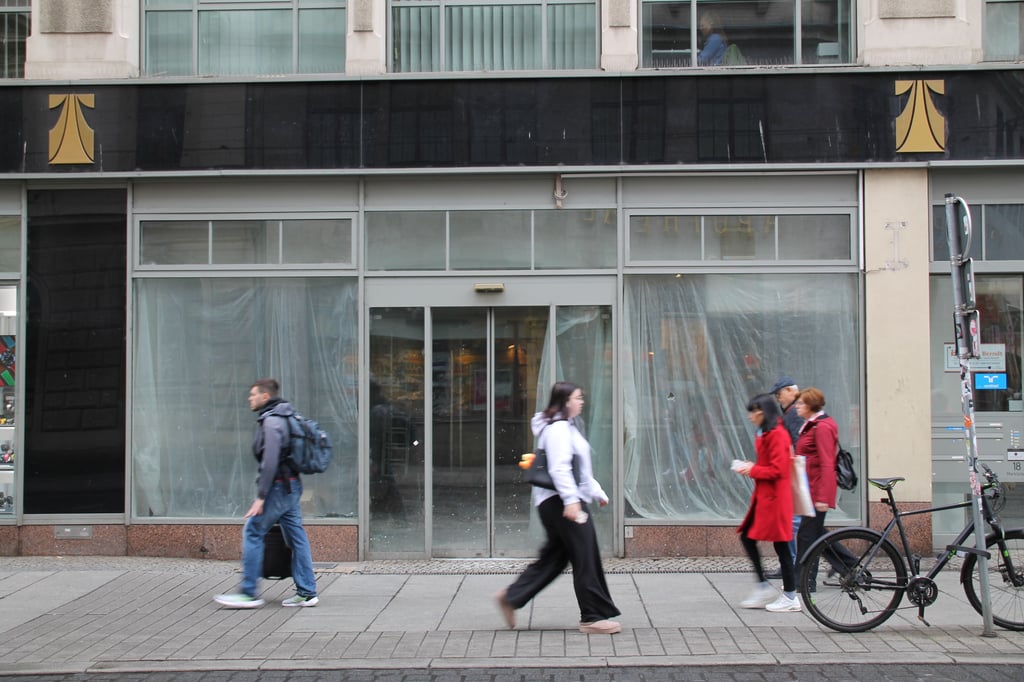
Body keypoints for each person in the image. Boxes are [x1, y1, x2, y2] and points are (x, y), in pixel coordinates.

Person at [494, 381, 621, 634]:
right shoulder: (560, 429)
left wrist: (597, 493)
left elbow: (580, 470)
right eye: (577, 397)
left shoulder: (568, 428)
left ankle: (511, 597)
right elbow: (560, 469)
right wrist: (572, 502)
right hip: (561, 502)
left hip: (559, 500)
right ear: (565, 402)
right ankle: (593, 617)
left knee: (555, 557)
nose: (581, 401)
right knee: (586, 555)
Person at [214, 378, 319, 609]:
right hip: (292, 486)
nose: (249, 398)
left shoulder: (271, 422)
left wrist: (261, 496)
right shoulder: (288, 417)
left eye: (253, 395)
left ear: (265, 396)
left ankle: (248, 593)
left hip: (279, 488)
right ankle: (307, 592)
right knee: (296, 537)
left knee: (253, 530)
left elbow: (270, 461)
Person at [731, 393, 801, 613]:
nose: (750, 417)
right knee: (749, 537)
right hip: (766, 497)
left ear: (762, 412)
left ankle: (790, 596)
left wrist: (753, 469)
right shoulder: (767, 432)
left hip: (775, 499)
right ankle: (765, 587)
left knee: (782, 545)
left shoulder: (777, 434)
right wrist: (753, 467)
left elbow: (778, 470)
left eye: (753, 412)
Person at [793, 387, 858, 591]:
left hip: (816, 491)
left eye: (801, 403)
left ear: (811, 406)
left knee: (806, 537)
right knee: (816, 534)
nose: (797, 407)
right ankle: (848, 564)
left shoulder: (821, 427)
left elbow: (827, 463)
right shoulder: (812, 425)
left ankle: (803, 581)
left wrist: (823, 498)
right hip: (809, 489)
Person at [765, 375, 806, 580]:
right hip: (793, 475)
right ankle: (844, 562)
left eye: (779, 395)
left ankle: (790, 567)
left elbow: (799, 446)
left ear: (791, 391)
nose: (778, 399)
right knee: (803, 525)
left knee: (792, 523)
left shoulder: (796, 413)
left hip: (795, 476)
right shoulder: (791, 411)